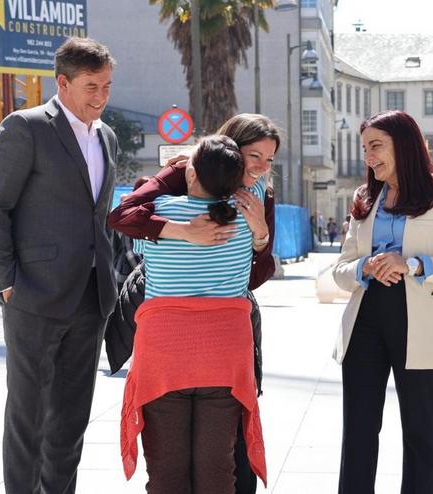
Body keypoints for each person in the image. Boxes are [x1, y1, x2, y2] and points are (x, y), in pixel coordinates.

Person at [0, 38, 118, 492]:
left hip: (92, 297)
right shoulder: (26, 127)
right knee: (28, 418)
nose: (101, 96)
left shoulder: (107, 136)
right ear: (63, 82)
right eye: (91, 85)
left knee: (71, 420)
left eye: (107, 86)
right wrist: (6, 283)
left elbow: (99, 217)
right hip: (33, 295)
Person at [108, 113, 278, 494]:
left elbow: (124, 218)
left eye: (268, 161)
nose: (262, 169)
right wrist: (259, 234)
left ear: (191, 173)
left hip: (165, 355)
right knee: (218, 470)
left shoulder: (159, 214)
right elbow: (257, 270)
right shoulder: (247, 218)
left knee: (167, 473)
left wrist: (178, 232)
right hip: (225, 357)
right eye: (255, 158)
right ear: (236, 165)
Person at [332, 110, 433, 494]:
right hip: (365, 319)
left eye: (376, 146)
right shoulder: (365, 197)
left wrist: (412, 264)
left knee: (420, 432)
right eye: (365, 148)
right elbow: (340, 268)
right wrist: (366, 265)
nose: (368, 156)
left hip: (422, 322)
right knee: (359, 430)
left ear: (405, 145)